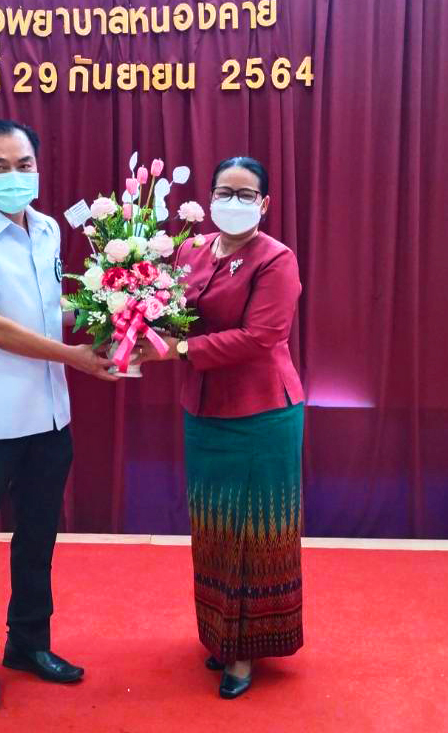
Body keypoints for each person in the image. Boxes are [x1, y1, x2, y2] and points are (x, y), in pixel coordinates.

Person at [0, 119, 117, 711]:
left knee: (38, 538)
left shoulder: (48, 228)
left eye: (24, 164)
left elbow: (46, 308)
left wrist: (117, 306)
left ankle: (29, 643)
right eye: (0, 166)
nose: (15, 176)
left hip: (48, 419)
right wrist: (74, 357)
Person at [136, 156, 305, 700]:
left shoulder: (276, 259)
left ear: (265, 203)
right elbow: (170, 310)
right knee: (213, 528)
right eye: (223, 192)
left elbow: (261, 337)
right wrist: (127, 315)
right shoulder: (191, 249)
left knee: (253, 534)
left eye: (245, 194)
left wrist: (178, 350)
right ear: (208, 198)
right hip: (204, 412)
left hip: (261, 414)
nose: (233, 202)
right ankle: (219, 635)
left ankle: (246, 652)